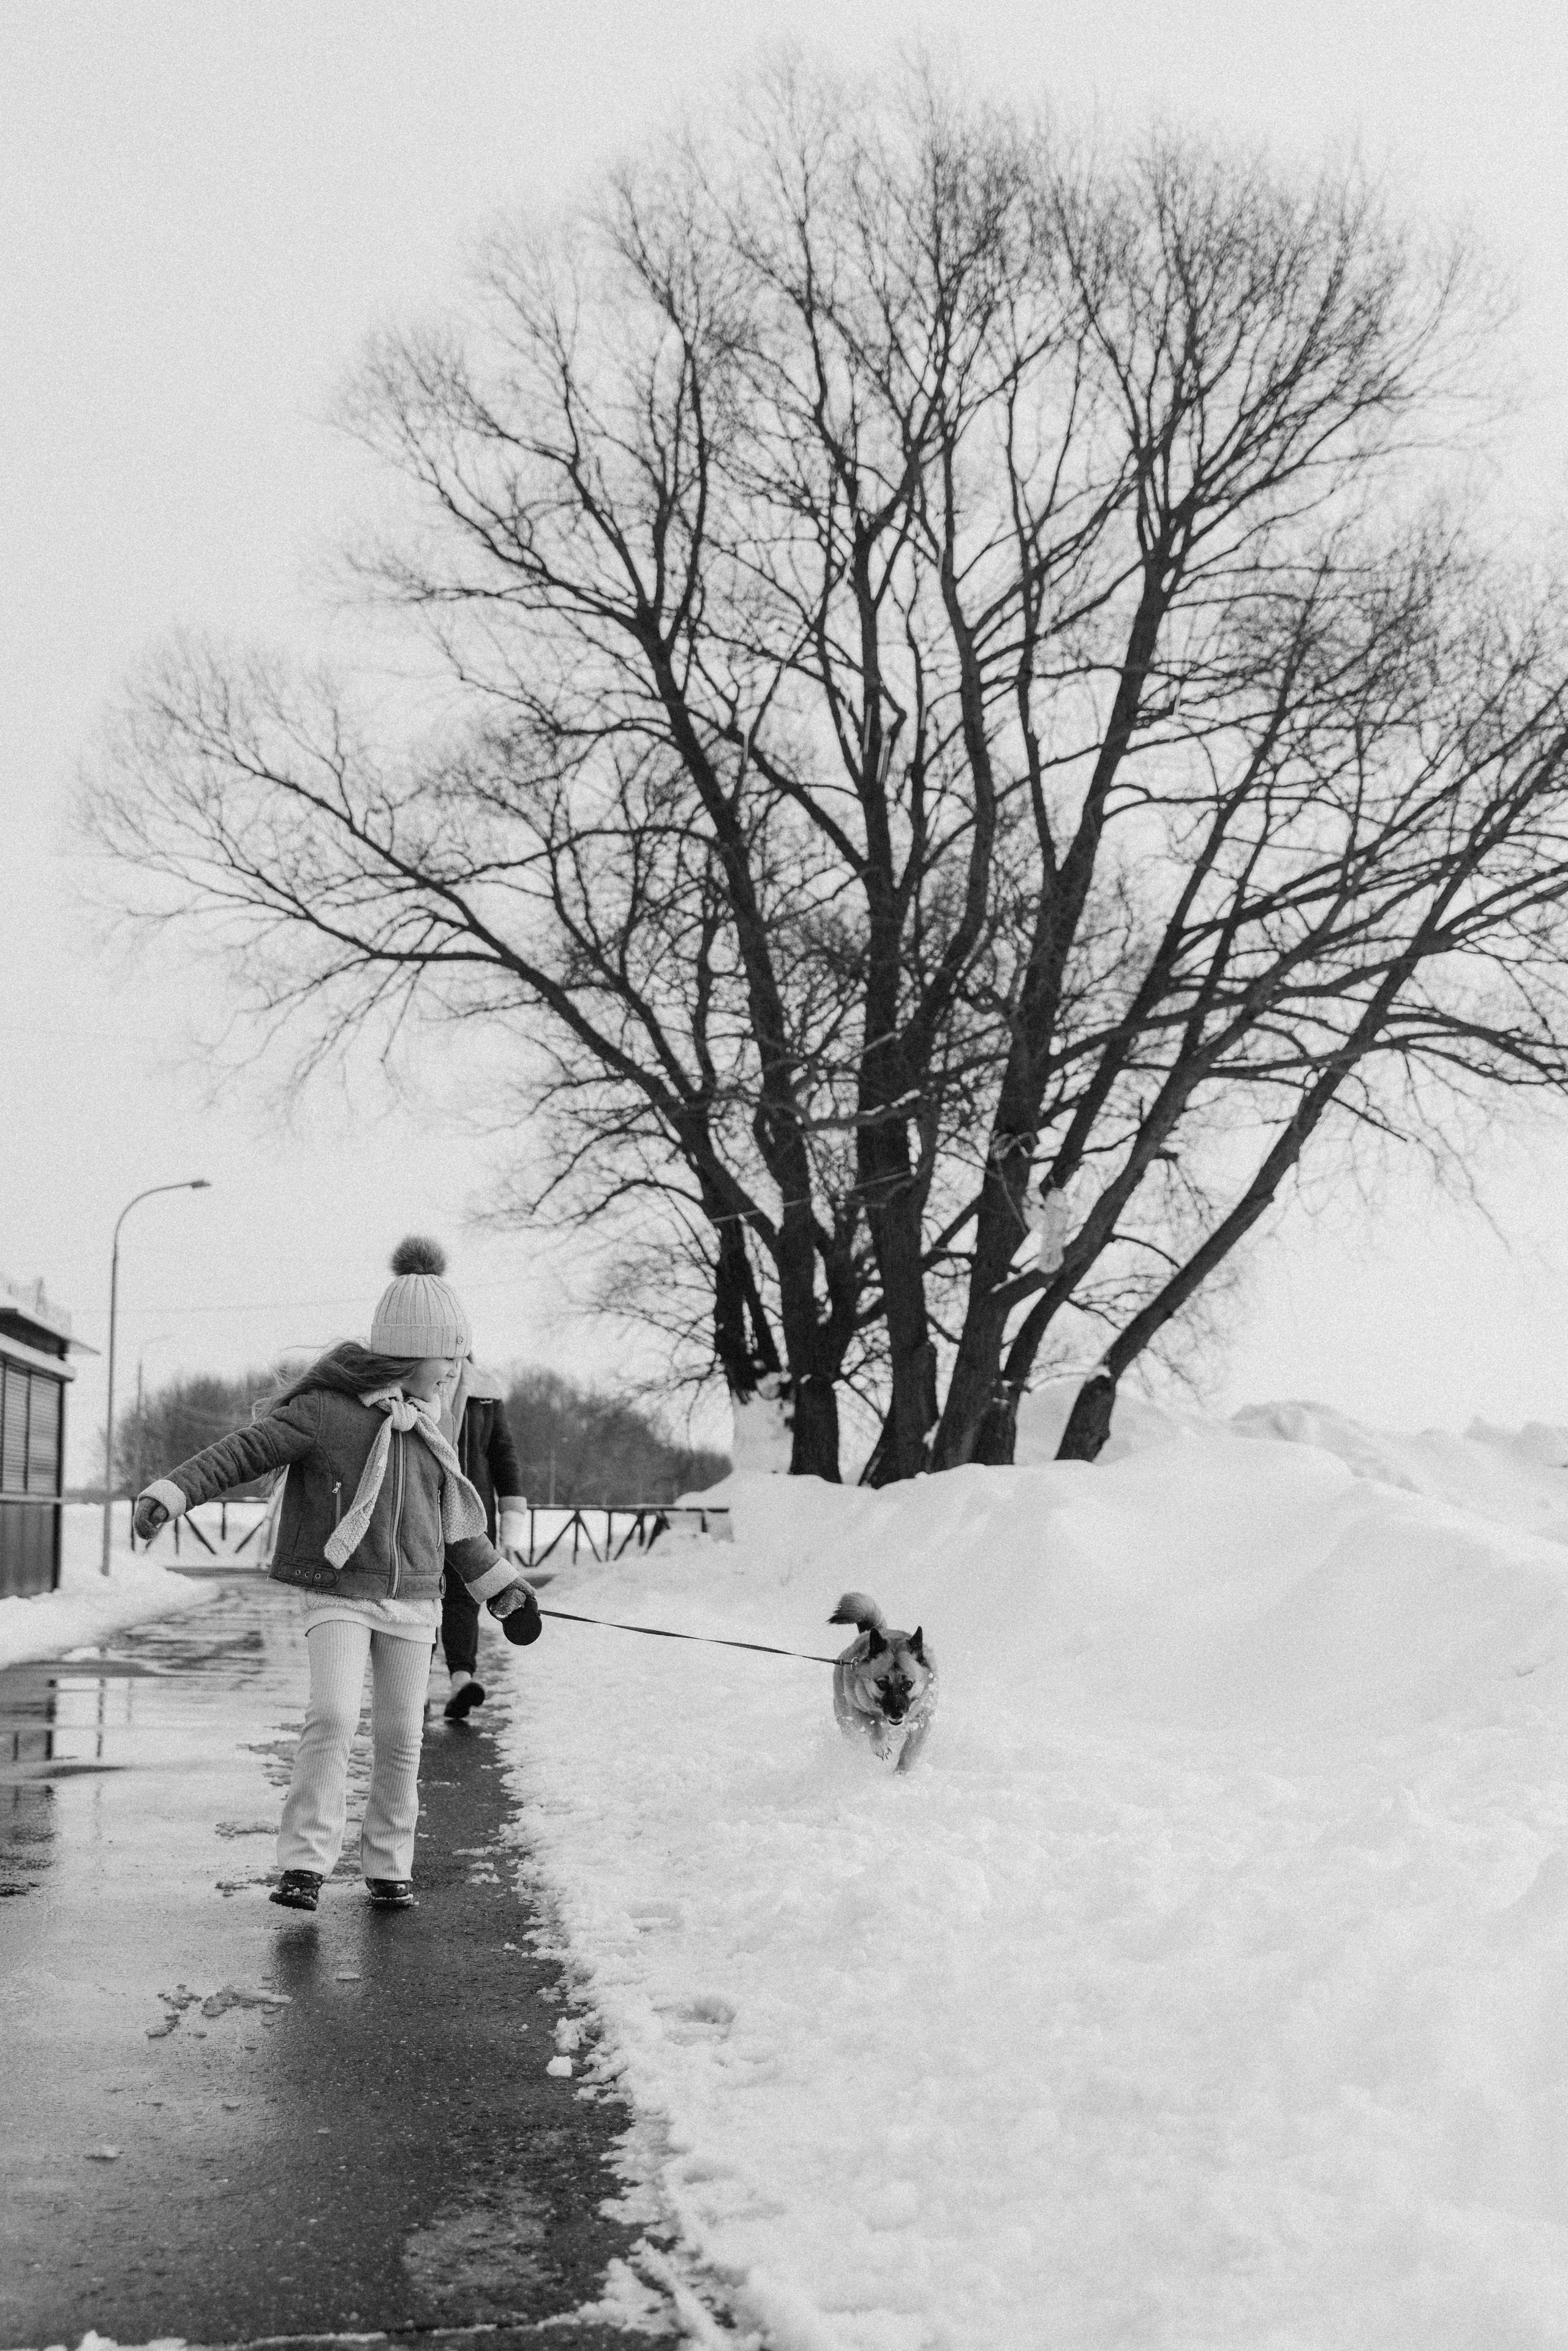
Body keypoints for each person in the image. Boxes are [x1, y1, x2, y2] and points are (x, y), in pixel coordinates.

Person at [130, 1237, 541, 1913]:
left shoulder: (435, 1432)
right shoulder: (327, 1412)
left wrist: (502, 1588)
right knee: (332, 1714)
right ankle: (304, 1865)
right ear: (411, 1352)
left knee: (403, 1734)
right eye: (449, 1356)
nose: (456, 1371)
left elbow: (460, 1532)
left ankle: (388, 1865)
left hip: (413, 1603)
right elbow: (247, 1449)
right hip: (341, 1593)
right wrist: (172, 1493)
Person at [437, 1349, 529, 1721]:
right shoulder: (413, 1380)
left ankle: (462, 1680)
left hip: (471, 1512)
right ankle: (411, 1687)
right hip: (420, 1507)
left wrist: (510, 1514)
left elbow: (503, 1455)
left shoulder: (485, 1392)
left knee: (463, 1598)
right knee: (420, 1592)